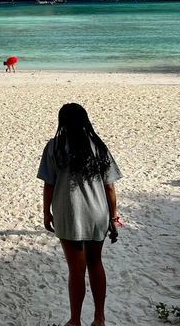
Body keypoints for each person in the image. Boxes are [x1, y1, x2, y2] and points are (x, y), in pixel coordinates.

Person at [38, 103, 122, 326]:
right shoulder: (98, 146)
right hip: (97, 213)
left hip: (68, 213)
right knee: (96, 263)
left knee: (76, 268)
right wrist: (114, 217)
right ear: (85, 120)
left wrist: (46, 213)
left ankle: (75, 320)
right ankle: (99, 318)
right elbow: (110, 187)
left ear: (62, 122)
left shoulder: (54, 147)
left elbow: (49, 184)